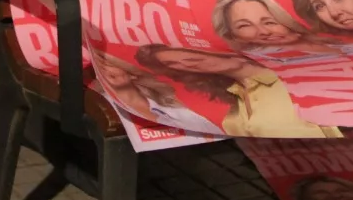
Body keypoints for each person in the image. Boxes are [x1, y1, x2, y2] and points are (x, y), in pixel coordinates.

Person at [133, 45, 341, 138]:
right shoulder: (234, 96)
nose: (188, 63)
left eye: (189, 55)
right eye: (174, 64)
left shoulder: (288, 75)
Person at [90, 51, 219, 134]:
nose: (105, 69)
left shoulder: (176, 105)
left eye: (109, 63)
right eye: (102, 63)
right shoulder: (99, 102)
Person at [210, 0, 341, 60]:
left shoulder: (343, 44)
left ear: (286, 22)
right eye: (244, 26)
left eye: (269, 22)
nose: (263, 32)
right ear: (230, 34)